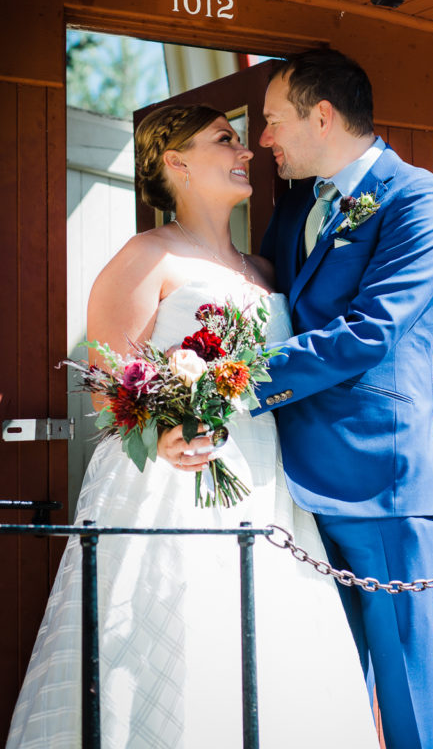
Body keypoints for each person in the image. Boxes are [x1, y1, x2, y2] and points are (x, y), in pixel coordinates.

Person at [7, 104, 379, 749]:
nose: (247, 151)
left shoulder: (267, 272)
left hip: (265, 483)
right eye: (225, 140)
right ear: (176, 162)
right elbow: (106, 392)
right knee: (175, 637)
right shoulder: (145, 256)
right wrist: (164, 431)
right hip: (169, 485)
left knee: (266, 640)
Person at [255, 50, 433, 749]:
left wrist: (234, 385)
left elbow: (371, 332)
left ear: (321, 116)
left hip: (385, 486)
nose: (263, 139)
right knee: (329, 692)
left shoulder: (420, 199)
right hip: (294, 489)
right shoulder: (293, 212)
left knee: (406, 695)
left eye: (272, 120)